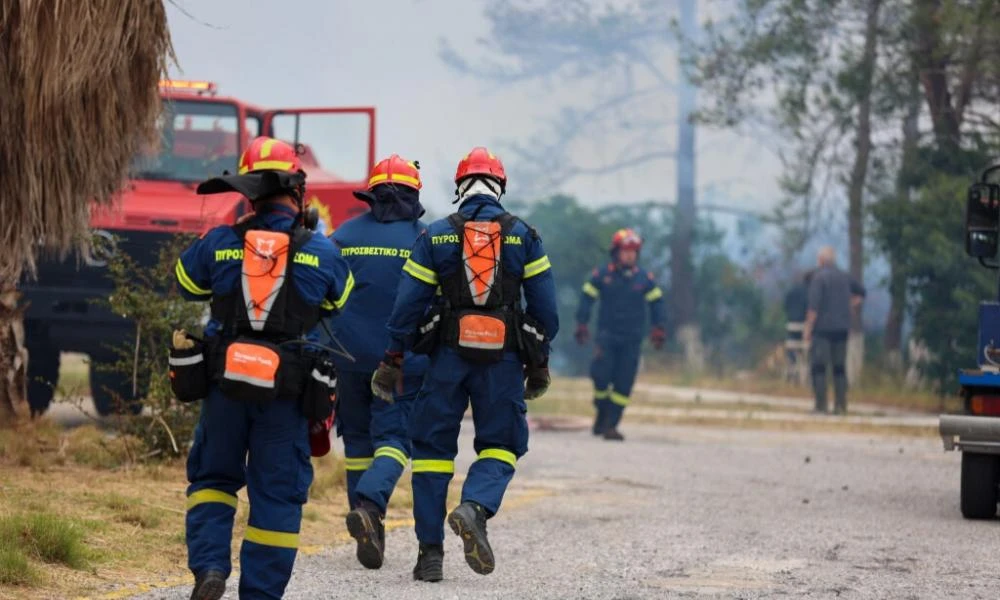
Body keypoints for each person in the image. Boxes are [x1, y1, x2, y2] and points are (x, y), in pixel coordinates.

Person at [173, 136, 354, 600]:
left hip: (223, 388)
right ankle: (260, 594)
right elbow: (339, 299)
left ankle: (211, 568)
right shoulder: (322, 250)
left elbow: (186, 282)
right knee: (277, 497)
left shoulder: (220, 241)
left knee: (213, 480)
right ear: (297, 189)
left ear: (248, 192)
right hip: (286, 397)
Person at [371, 147, 558, 582]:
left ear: (459, 188)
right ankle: (474, 506)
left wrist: (394, 355)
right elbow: (546, 312)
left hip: (445, 362)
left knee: (432, 453)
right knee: (502, 445)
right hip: (504, 362)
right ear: (500, 187)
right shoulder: (524, 236)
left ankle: (429, 554)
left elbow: (406, 306)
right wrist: (538, 362)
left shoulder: (435, 235)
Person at [326, 154, 429, 570]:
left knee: (357, 444)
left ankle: (371, 529)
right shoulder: (425, 239)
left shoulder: (343, 235)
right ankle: (370, 505)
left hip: (346, 358)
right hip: (401, 362)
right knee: (396, 441)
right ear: (413, 194)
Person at [575, 228, 666, 441]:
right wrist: (582, 324)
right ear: (616, 252)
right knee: (601, 377)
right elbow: (587, 299)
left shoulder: (645, 279)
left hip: (632, 340)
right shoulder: (602, 275)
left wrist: (658, 328)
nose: (630, 255)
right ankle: (602, 412)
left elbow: (657, 304)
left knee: (623, 384)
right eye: (626, 251)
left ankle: (611, 425)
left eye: (634, 251)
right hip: (606, 337)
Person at [804, 246, 866, 415]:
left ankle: (821, 405)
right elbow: (861, 293)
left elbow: (813, 309)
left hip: (822, 330)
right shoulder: (845, 277)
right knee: (839, 368)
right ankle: (840, 405)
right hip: (841, 329)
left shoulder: (818, 278)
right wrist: (851, 304)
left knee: (819, 367)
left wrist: (807, 329)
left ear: (821, 261)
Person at [783, 272, 809, 383]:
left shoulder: (791, 292)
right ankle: (805, 375)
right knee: (805, 350)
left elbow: (785, 306)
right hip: (805, 325)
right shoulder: (809, 293)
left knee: (792, 347)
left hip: (791, 323)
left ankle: (792, 369)